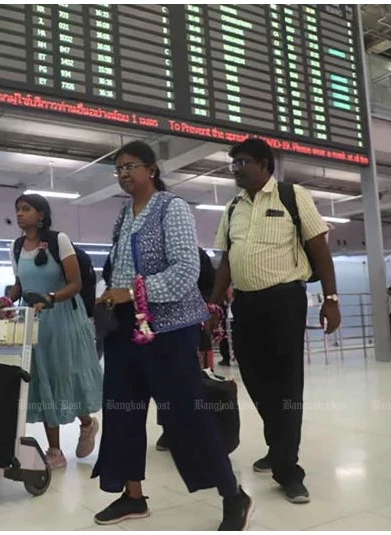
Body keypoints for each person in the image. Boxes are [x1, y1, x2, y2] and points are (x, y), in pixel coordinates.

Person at [92, 141, 251, 530]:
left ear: (152, 170)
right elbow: (118, 268)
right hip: (124, 329)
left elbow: (185, 272)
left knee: (185, 415)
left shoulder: (172, 208)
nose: (124, 174)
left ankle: (234, 494)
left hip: (168, 329)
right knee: (122, 412)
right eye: (118, 169)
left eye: (131, 166)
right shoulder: (123, 215)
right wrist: (114, 296)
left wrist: (132, 291)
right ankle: (133, 497)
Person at [210, 138, 341, 505]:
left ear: (265, 164)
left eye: (243, 162)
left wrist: (331, 299)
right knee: (254, 378)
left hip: (284, 300)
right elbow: (226, 262)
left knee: (286, 384)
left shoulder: (291, 195)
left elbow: (320, 250)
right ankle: (279, 446)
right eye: (232, 163)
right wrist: (213, 307)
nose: (236, 169)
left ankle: (288, 469)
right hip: (246, 305)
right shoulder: (233, 207)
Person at [9, 193, 102, 470]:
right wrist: (6, 298)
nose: (19, 214)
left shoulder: (59, 240)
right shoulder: (16, 247)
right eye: (17, 209)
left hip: (64, 319)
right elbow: (20, 286)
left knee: (66, 376)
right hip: (34, 320)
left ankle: (87, 423)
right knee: (44, 379)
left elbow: (75, 283)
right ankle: (55, 451)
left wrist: (50, 298)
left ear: (41, 215)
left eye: (26, 209)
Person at [155, 246, 216, 452]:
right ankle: (169, 428)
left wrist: (205, 307)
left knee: (196, 379)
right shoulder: (154, 253)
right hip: (162, 326)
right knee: (165, 380)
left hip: (194, 325)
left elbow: (210, 285)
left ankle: (200, 428)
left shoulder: (196, 254)